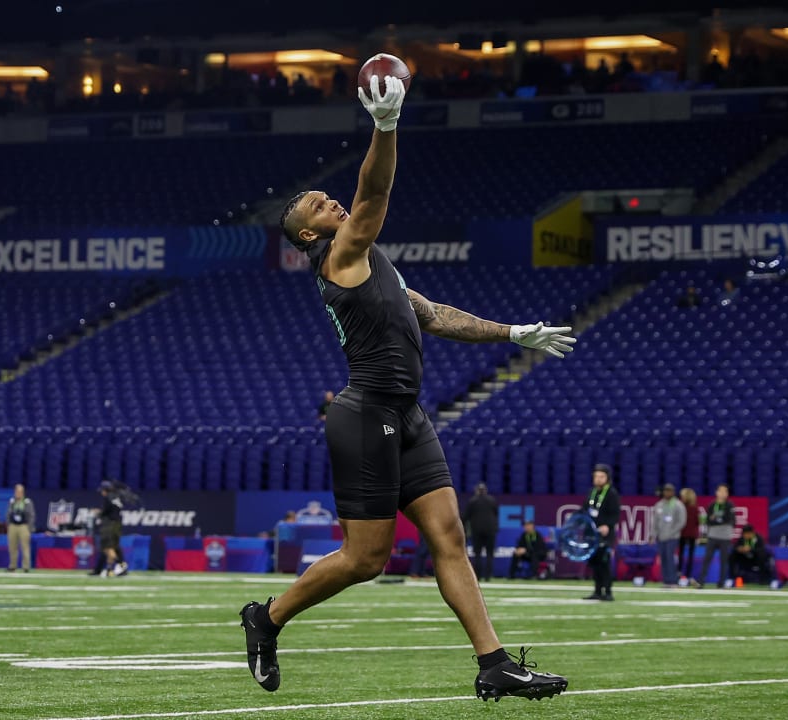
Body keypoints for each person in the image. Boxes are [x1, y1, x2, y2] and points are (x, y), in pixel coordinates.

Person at [241, 72, 569, 702]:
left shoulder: (370, 261)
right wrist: (386, 125)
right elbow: (374, 191)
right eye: (316, 204)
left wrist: (512, 333)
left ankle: (494, 662)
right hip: (364, 415)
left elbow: (434, 314)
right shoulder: (338, 256)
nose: (330, 201)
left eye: (326, 196)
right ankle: (268, 616)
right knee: (367, 560)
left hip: (406, 414)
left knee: (449, 536)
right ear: (308, 235)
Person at [583, 464, 620, 601]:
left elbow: (615, 514)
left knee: (604, 562)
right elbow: (585, 509)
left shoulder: (611, 493)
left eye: (601, 477)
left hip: (605, 533)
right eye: (596, 476)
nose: (598, 479)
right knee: (595, 562)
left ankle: (608, 591)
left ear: (607, 478)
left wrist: (608, 526)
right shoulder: (591, 492)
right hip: (592, 532)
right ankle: (597, 590)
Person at [697, 484, 735, 589]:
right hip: (713, 535)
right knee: (707, 559)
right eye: (721, 491)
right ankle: (701, 581)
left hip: (725, 536)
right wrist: (717, 520)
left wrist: (717, 519)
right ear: (716, 492)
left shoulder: (729, 505)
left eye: (725, 491)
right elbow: (708, 520)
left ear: (727, 494)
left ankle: (721, 582)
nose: (723, 493)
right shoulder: (712, 505)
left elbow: (731, 520)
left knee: (724, 560)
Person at [462, 484, 499, 582]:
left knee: (477, 553)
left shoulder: (472, 501)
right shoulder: (492, 500)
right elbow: (496, 514)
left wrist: (464, 529)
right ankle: (488, 576)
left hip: (477, 530)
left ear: (477, 491)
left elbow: (465, 517)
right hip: (490, 530)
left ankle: (478, 576)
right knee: (489, 554)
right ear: (485, 490)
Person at [653, 483, 686, 587]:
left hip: (672, 537)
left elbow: (681, 521)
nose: (667, 493)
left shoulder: (678, 505)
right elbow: (655, 521)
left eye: (669, 491)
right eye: (666, 490)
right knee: (663, 558)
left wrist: (672, 532)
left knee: (670, 557)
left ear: (673, 492)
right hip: (661, 537)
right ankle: (666, 580)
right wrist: (654, 534)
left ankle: (673, 580)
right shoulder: (659, 505)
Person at [97, 481, 128, 577]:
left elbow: (105, 512)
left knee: (107, 547)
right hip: (117, 524)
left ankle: (122, 565)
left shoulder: (108, 497)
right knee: (113, 547)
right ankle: (109, 570)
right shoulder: (117, 497)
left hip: (109, 524)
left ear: (105, 490)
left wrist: (98, 513)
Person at [6, 483, 35, 573]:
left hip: (23, 526)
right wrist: (9, 525)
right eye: (17, 491)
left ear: (23, 492)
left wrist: (29, 527)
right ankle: (12, 566)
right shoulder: (12, 501)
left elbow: (31, 515)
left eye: (20, 491)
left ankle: (26, 567)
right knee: (12, 547)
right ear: (15, 492)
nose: (18, 493)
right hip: (13, 526)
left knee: (25, 547)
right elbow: (8, 514)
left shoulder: (27, 502)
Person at [677, 488, 700, 581]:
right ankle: (685, 574)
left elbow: (697, 522)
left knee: (684, 554)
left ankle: (683, 573)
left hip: (688, 534)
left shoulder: (692, 508)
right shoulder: (691, 508)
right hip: (685, 534)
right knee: (684, 554)